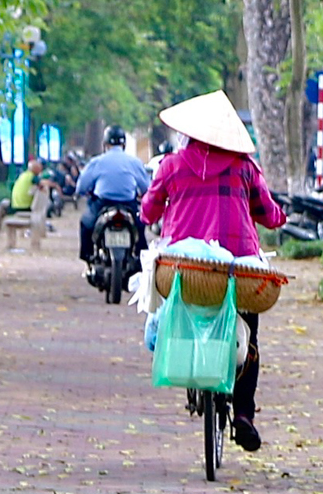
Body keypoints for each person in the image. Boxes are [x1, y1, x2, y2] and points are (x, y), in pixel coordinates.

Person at [143, 90, 285, 452]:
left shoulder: (171, 166)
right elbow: (270, 215)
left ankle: (192, 371)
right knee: (249, 337)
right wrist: (279, 217)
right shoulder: (245, 168)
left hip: (184, 266)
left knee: (177, 308)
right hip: (237, 267)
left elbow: (149, 210)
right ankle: (244, 414)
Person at [75, 127, 152, 263]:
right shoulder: (134, 162)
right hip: (129, 205)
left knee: (86, 223)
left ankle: (88, 255)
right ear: (124, 144)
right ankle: (141, 257)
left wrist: (82, 193)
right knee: (140, 227)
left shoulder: (97, 162)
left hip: (102, 204)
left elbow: (81, 187)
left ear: (105, 144)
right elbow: (146, 187)